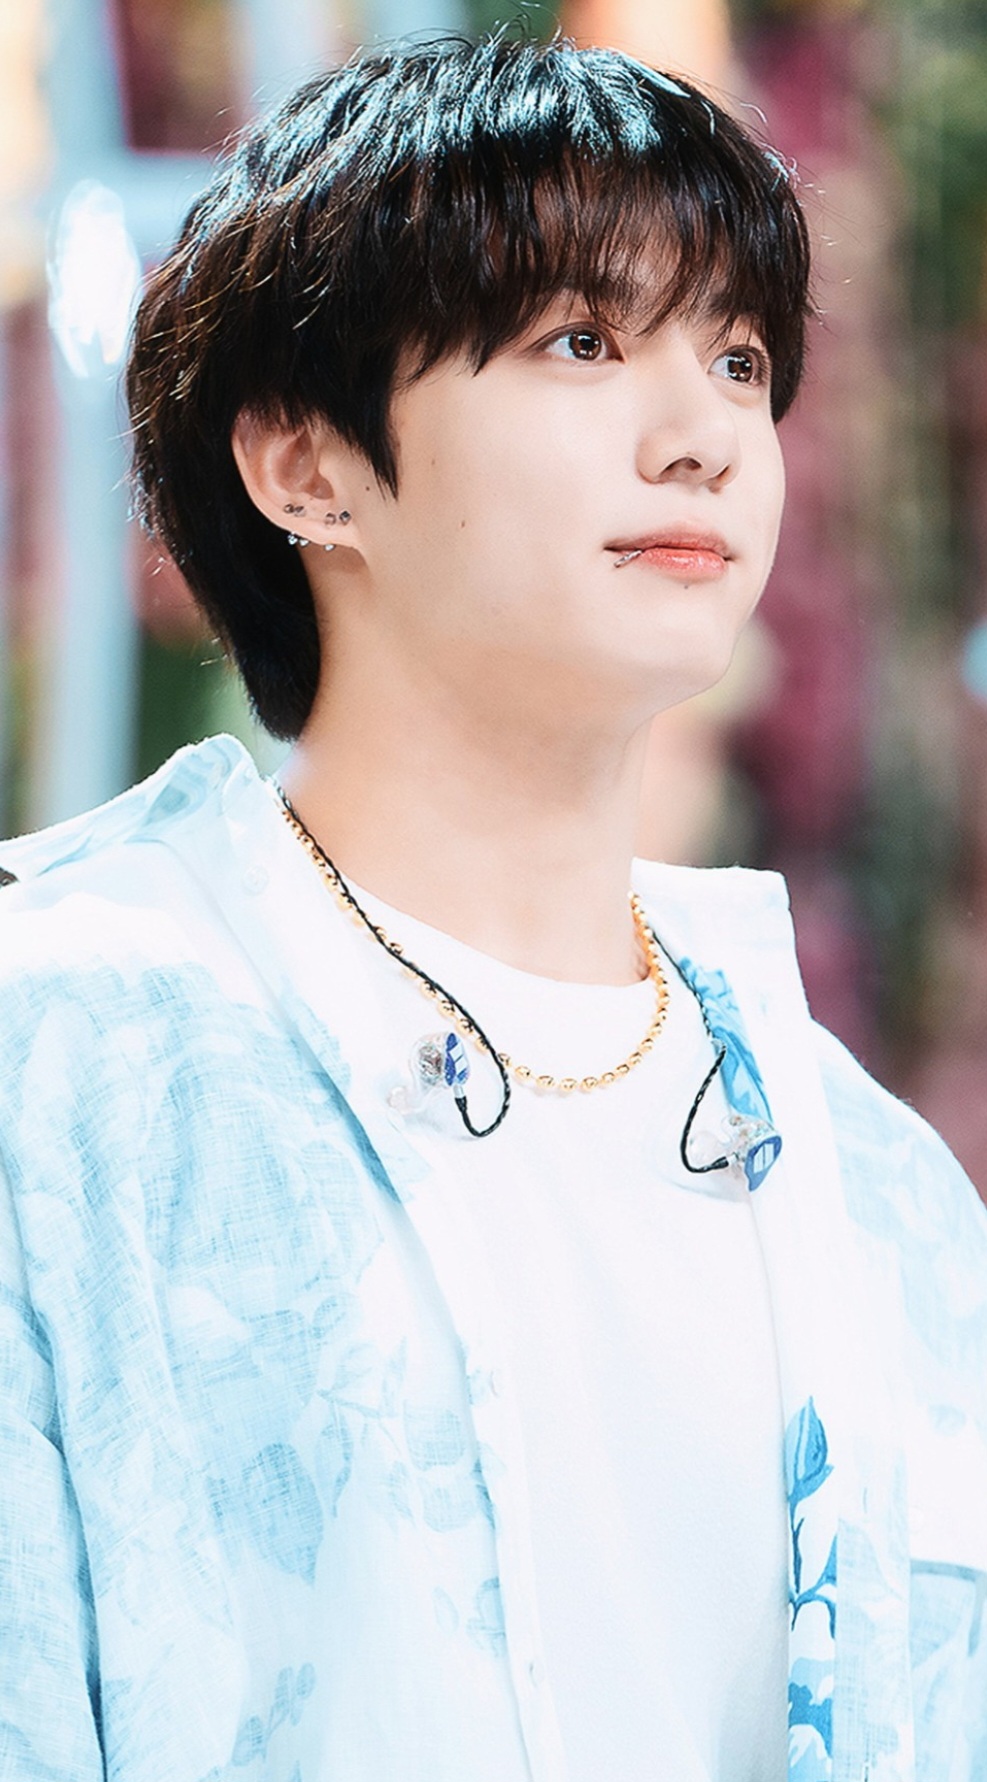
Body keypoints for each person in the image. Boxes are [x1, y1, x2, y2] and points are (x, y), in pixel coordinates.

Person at [0, 35, 985, 1782]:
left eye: (740, 359)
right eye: (582, 341)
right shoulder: (66, 1046)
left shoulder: (873, 1183)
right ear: (302, 462)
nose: (702, 438)